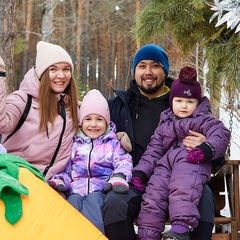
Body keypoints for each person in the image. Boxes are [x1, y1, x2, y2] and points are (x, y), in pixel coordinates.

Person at [103, 44, 221, 240]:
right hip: (137, 181)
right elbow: (87, 127)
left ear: (165, 71)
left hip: (185, 178)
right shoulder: (116, 106)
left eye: (155, 66)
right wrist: (112, 137)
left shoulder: (186, 101)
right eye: (142, 66)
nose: (148, 72)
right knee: (115, 203)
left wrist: (205, 145)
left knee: (204, 200)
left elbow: (218, 144)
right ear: (135, 71)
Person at [134, 66, 231, 240]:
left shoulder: (203, 120)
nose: (184, 106)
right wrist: (141, 173)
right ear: (172, 101)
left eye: (190, 102)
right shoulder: (164, 125)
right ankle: (148, 235)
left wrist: (206, 149)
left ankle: (180, 229)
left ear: (198, 104)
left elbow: (221, 135)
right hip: (165, 166)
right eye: (179, 101)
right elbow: (153, 151)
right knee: (153, 196)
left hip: (191, 161)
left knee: (184, 188)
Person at [48, 89, 133, 233]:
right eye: (88, 119)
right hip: (75, 190)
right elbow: (67, 168)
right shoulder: (75, 143)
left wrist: (118, 177)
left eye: (99, 119)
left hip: (100, 190)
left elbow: (123, 162)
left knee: (93, 206)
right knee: (70, 206)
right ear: (81, 122)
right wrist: (61, 180)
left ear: (106, 121)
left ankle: (94, 236)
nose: (93, 124)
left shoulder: (112, 143)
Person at [0, 41, 79, 180]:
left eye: (66, 69)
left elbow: (99, 122)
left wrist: (119, 135)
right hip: (17, 176)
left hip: (54, 183)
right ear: (41, 73)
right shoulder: (23, 100)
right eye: (53, 69)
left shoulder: (74, 108)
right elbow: (2, 124)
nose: (61, 75)